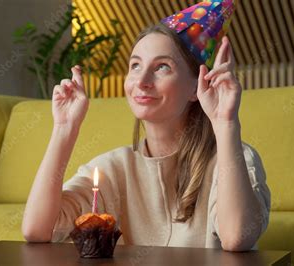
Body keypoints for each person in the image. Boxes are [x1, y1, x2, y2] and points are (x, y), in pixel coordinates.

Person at [22, 12, 271, 251]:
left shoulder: (234, 159)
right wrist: (64, 129)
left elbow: (237, 237)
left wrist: (226, 122)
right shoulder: (112, 169)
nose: (141, 81)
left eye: (162, 67)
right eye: (135, 65)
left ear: (197, 87)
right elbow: (38, 230)